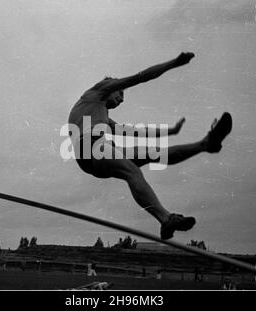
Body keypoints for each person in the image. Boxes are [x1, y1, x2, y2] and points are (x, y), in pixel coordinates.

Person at [68, 52, 233, 240]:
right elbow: (139, 78)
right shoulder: (98, 91)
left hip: (93, 153)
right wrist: (174, 63)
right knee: (133, 172)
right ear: (110, 85)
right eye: (120, 93)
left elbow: (133, 132)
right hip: (91, 147)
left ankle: (205, 145)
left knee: (154, 154)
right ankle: (165, 219)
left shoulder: (100, 114)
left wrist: (170, 131)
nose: (122, 100)